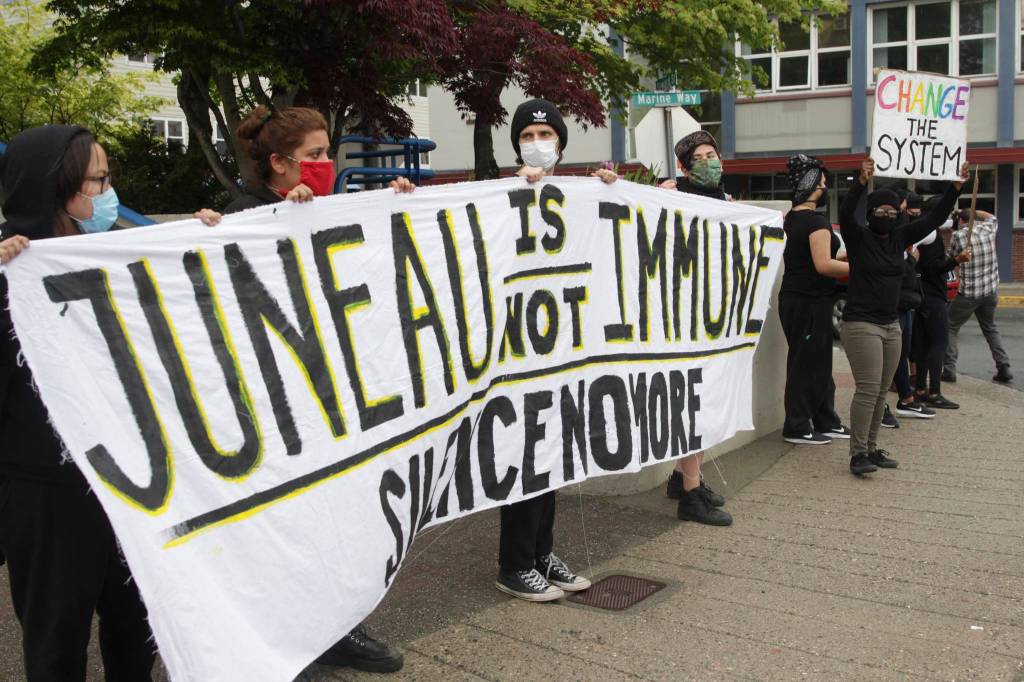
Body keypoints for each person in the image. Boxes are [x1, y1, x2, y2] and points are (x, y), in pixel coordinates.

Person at [199, 105, 409, 672]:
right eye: (314, 155)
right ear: (279, 163)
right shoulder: (242, 216)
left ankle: (338, 626)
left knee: (337, 520)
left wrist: (396, 201)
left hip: (331, 395)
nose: (325, 164)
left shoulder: (328, 207)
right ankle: (289, 642)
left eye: (326, 153)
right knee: (285, 528)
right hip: (277, 405)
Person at [0, 125, 156, 681]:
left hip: (128, 482)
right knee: (56, 641)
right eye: (97, 180)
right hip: (48, 497)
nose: (108, 192)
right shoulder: (10, 273)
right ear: (52, 188)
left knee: (137, 627)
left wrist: (206, 237)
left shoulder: (114, 252)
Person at [494, 98, 617, 603]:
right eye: (528, 134)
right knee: (524, 455)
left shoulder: (577, 194)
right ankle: (514, 563)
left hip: (562, 350)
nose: (537, 141)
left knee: (552, 456)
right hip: (517, 352)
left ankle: (542, 553)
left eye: (546, 133)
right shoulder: (500, 193)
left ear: (561, 144)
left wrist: (612, 191)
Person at [838, 158, 969, 476]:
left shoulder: (900, 238)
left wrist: (954, 188)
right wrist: (860, 182)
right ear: (870, 214)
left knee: (883, 390)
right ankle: (857, 455)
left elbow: (935, 218)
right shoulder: (858, 239)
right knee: (868, 389)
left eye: (892, 211)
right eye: (880, 211)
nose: (886, 215)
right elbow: (845, 212)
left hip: (890, 323)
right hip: (861, 324)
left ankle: (871, 448)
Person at [659, 130, 731, 527]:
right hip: (685, 319)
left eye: (712, 154)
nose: (709, 162)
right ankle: (690, 495)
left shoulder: (725, 201)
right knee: (694, 407)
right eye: (699, 158)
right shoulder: (673, 195)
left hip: (715, 317)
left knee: (705, 402)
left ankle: (684, 478)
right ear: (684, 167)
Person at [778, 154, 851, 445]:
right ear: (809, 185)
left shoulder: (791, 219)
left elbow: (812, 260)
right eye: (821, 183)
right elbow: (823, 265)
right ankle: (796, 425)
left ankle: (825, 420)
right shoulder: (816, 221)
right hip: (810, 301)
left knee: (815, 363)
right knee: (806, 364)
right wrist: (862, 270)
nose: (824, 188)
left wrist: (845, 258)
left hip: (797, 299)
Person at [943, 208, 1013, 384]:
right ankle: (1003, 366)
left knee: (950, 326)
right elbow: (991, 217)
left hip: (969, 294)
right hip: (990, 291)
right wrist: (971, 211)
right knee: (990, 327)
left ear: (959, 221)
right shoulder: (988, 229)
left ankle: (949, 369)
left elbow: (950, 260)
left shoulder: (959, 236)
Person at [912, 212, 970, 409]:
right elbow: (932, 267)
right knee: (938, 343)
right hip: (932, 297)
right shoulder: (930, 235)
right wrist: (956, 260)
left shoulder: (922, 229)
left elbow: (948, 222)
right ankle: (934, 392)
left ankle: (920, 389)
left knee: (923, 344)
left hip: (922, 295)